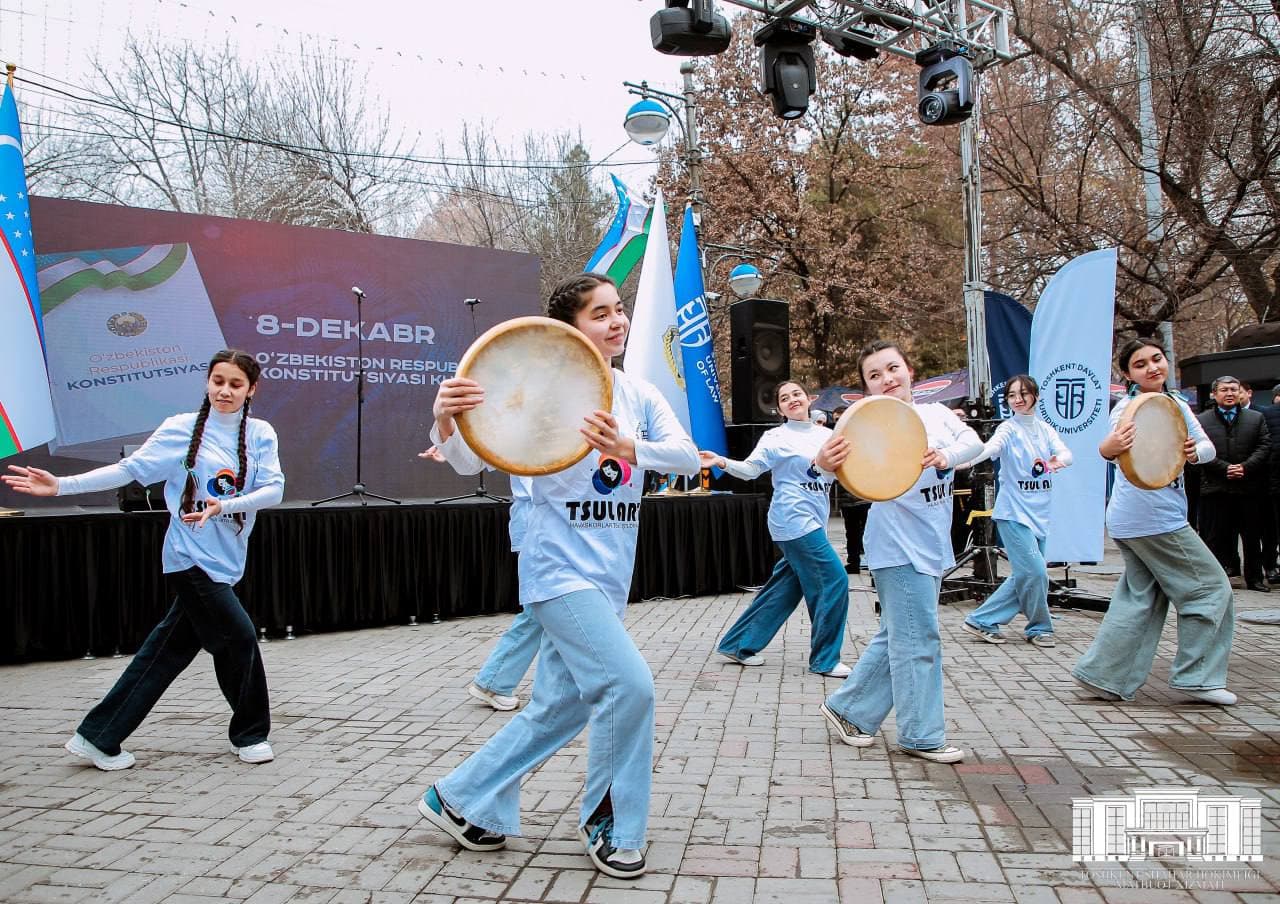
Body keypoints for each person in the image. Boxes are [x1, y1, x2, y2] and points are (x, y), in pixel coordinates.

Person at [415, 273, 699, 880]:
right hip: (556, 571)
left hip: (611, 575)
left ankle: (459, 798)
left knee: (559, 709)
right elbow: (469, 459)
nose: (617, 321)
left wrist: (629, 445)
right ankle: (611, 823)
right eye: (601, 314)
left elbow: (683, 454)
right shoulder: (533, 390)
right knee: (631, 688)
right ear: (568, 329)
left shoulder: (638, 395)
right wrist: (444, 419)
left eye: (619, 310)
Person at [2, 349, 284, 769]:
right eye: (218, 381)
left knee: (166, 652)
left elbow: (274, 490)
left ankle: (97, 737)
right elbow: (128, 470)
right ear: (207, 382)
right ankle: (249, 733)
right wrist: (61, 486)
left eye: (235, 384)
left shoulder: (261, 433)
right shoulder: (181, 429)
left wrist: (222, 507)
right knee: (239, 639)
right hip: (189, 559)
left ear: (251, 389)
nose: (224, 391)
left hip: (228, 561)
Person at [819, 340, 982, 764]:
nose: (887, 379)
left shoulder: (936, 415)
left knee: (900, 634)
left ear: (909, 371)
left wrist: (946, 456)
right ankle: (922, 734)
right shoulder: (864, 427)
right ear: (867, 388)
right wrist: (823, 461)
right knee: (919, 641)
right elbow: (824, 464)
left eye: (892, 369)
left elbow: (974, 443)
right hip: (896, 547)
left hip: (932, 544)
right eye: (875, 375)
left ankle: (848, 708)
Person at [1073, 337, 1236, 705]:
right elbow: (1109, 449)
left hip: (1139, 519)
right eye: (1141, 364)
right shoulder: (1129, 407)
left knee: (1141, 597)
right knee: (1210, 589)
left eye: (1156, 359)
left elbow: (1206, 446)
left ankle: (1104, 677)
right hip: (1152, 518)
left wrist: (1195, 452)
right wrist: (1110, 447)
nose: (1152, 368)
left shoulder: (1176, 403)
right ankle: (1198, 678)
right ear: (1129, 374)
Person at [705, 381, 852, 676]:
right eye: (785, 398)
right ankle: (825, 659)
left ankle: (737, 644)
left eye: (796, 394)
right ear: (780, 408)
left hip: (815, 520)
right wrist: (722, 461)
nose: (792, 400)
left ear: (809, 399)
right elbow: (751, 469)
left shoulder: (830, 435)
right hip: (792, 520)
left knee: (786, 586)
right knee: (834, 581)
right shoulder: (775, 437)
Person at [420, 445, 538, 711]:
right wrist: (450, 447)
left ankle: (501, 682)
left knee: (551, 608)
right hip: (536, 524)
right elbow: (489, 449)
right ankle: (493, 682)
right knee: (540, 608)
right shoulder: (526, 426)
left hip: (554, 524)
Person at [959, 374, 1072, 647]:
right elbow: (990, 448)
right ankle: (1039, 628)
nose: (1018, 400)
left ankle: (982, 620)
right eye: (1011, 395)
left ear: (1036, 396)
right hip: (1013, 514)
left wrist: (1058, 461)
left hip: (1040, 513)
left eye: (1023, 393)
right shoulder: (1008, 429)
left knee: (1026, 574)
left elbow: (1067, 454)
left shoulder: (1045, 430)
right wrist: (961, 460)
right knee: (1036, 573)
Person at [1196, 375, 1271, 592]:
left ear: (1241, 393)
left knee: (1251, 536)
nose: (1229, 394)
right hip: (1216, 488)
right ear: (1214, 394)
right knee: (1215, 537)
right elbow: (1198, 451)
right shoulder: (1202, 421)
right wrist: (1223, 468)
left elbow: (1264, 446)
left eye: (1233, 389)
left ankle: (1255, 578)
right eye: (1224, 390)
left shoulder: (1256, 418)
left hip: (1248, 488)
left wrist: (1245, 467)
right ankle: (1215, 580)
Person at [1260, 384, 1280, 584]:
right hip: (1273, 482)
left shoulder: (1265, 414)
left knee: (1271, 530)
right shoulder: (1267, 415)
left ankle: (1270, 565)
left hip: (1273, 482)